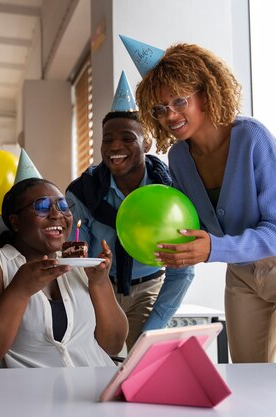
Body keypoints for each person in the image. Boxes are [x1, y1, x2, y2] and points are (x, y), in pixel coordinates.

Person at [133, 41, 276, 363]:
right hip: (242, 273)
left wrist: (213, 248)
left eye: (179, 101)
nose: (169, 115)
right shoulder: (180, 157)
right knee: (248, 376)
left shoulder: (252, 138)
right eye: (159, 109)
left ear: (205, 93)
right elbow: (196, 221)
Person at [66, 71, 194, 351]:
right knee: (98, 361)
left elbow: (182, 270)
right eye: (107, 139)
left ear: (146, 143)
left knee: (139, 363)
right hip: (97, 286)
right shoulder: (81, 193)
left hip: (149, 289)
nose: (114, 147)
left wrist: (154, 325)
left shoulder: (170, 192)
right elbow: (74, 258)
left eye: (127, 138)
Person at [0, 177, 128, 368]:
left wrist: (100, 283)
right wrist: (19, 291)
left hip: (99, 386)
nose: (56, 214)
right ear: (15, 222)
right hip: (32, 394)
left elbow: (113, 345)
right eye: (42, 207)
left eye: (62, 205)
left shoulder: (80, 264)